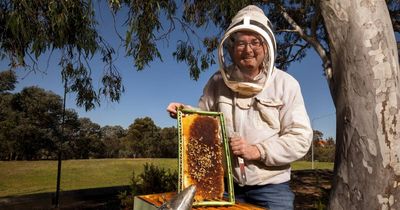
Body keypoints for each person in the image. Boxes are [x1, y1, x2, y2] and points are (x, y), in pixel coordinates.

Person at [167, 5, 312, 210]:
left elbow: (300, 137)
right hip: (227, 185)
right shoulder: (217, 82)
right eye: (241, 43)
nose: (248, 49)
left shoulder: (286, 84)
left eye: (255, 42)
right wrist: (186, 112)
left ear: (267, 46)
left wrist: (258, 151)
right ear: (231, 48)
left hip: (272, 188)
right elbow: (205, 123)